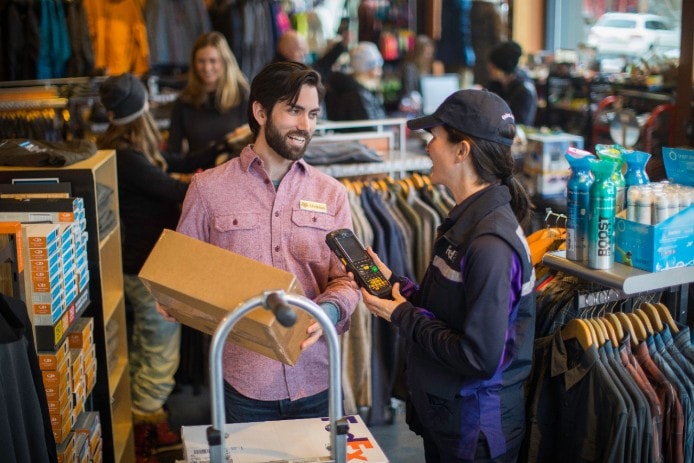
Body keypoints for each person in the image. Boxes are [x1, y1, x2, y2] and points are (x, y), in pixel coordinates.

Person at [167, 61, 360, 423]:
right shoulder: (208, 189)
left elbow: (348, 279)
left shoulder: (332, 194)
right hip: (244, 385)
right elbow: (182, 274)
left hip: (318, 378)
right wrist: (174, 300)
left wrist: (329, 311)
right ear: (260, 111)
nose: (306, 126)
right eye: (294, 111)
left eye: (313, 114)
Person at [355, 89, 536, 462]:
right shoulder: (467, 222)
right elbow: (451, 310)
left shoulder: (490, 243)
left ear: (462, 150)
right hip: (452, 416)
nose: (428, 147)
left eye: (434, 137)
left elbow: (479, 357)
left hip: (475, 431)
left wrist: (400, 314)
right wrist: (397, 286)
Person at [96, 73, 218, 463]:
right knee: (159, 346)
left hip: (145, 262)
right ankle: (146, 423)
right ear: (144, 109)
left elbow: (175, 165)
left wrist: (220, 149)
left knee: (152, 343)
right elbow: (173, 189)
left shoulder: (127, 149)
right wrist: (218, 187)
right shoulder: (128, 158)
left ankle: (146, 414)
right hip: (144, 267)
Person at [167, 31, 250, 167]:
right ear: (194, 64)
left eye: (213, 61)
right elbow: (173, 153)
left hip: (237, 179)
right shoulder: (183, 102)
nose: (207, 67)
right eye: (201, 61)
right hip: (200, 178)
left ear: (225, 62)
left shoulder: (243, 97)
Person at [324, 41, 387, 122]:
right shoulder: (358, 95)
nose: (380, 73)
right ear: (365, 70)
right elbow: (369, 128)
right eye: (375, 68)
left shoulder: (357, 90)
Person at [487, 40, 538, 126]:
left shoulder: (524, 91)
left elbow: (521, 124)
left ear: (501, 69)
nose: (488, 68)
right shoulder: (495, 84)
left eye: (492, 66)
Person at [272, 28, 351, 83]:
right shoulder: (281, 75)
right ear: (285, 50)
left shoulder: (296, 67)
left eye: (305, 49)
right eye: (300, 49)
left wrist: (341, 45)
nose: (305, 53)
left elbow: (320, 66)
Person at [398, 34, 437, 115]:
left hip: (424, 108)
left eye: (430, 53)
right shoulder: (409, 68)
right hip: (413, 111)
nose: (429, 56)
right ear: (418, 53)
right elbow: (409, 92)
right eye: (426, 53)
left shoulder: (426, 68)